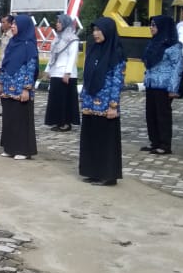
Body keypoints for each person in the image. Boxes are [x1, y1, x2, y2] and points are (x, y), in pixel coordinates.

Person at [78, 17, 127, 186]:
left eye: (99, 30)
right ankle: (93, 171)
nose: (96, 34)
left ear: (108, 31)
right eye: (94, 30)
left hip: (106, 104)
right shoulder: (93, 49)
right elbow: (87, 75)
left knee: (105, 139)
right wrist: (84, 97)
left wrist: (114, 104)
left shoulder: (116, 53)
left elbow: (117, 81)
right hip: (91, 101)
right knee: (91, 137)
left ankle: (107, 174)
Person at [0, 15, 39, 159]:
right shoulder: (12, 43)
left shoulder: (29, 46)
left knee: (21, 119)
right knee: (9, 118)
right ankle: (10, 147)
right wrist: (0, 84)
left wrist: (27, 88)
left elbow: (31, 67)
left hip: (21, 88)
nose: (13, 26)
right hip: (8, 87)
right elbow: (5, 64)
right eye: (12, 24)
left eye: (15, 24)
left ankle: (22, 150)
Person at [142, 15, 183, 155]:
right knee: (151, 114)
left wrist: (173, 88)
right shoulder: (154, 42)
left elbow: (177, 67)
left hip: (164, 85)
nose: (151, 28)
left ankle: (165, 144)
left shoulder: (173, 46)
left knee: (162, 115)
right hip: (151, 83)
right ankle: (154, 142)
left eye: (154, 25)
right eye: (151, 25)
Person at [44, 14, 80, 132]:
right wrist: (47, 70)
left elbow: (72, 57)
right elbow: (53, 56)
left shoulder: (73, 39)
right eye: (57, 22)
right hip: (56, 72)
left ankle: (66, 123)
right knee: (56, 99)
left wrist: (67, 73)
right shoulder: (57, 38)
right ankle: (58, 121)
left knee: (65, 100)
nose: (57, 24)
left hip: (66, 74)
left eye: (60, 22)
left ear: (65, 23)